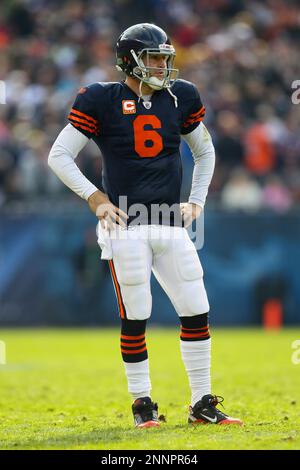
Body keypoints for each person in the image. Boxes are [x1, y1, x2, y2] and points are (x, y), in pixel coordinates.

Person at [48, 23, 242, 428]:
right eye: (152, 56)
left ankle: (202, 403)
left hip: (170, 222)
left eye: (163, 57)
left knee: (196, 309)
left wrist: (197, 201)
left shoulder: (181, 96)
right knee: (136, 313)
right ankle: (142, 405)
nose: (161, 64)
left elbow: (205, 153)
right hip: (125, 224)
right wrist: (95, 197)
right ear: (129, 61)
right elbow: (59, 154)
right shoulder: (101, 98)